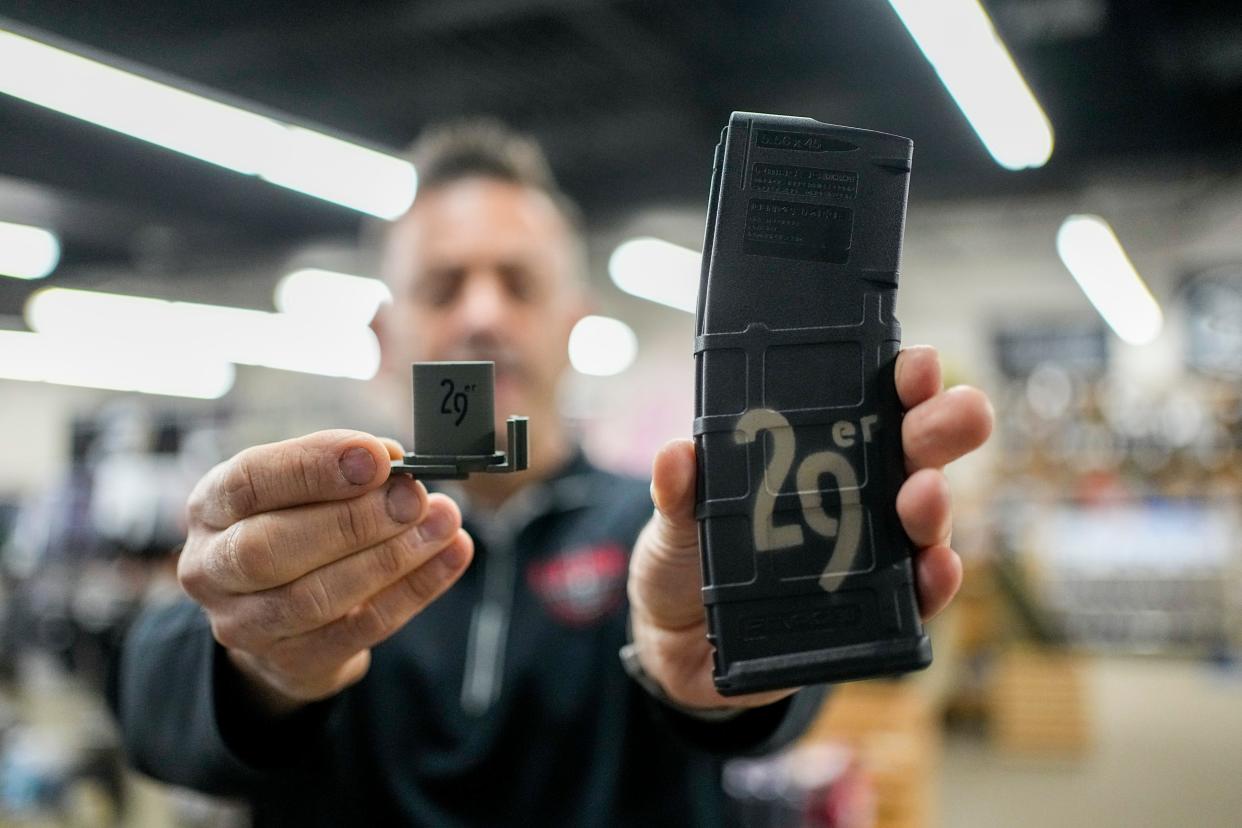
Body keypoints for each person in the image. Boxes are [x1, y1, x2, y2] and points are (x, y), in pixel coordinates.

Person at [113, 121, 993, 826]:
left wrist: (732, 656)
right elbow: (151, 706)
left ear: (575, 327)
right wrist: (261, 661)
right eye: (444, 285)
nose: (484, 314)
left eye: (519, 284)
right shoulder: (305, 538)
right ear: (385, 339)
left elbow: (776, 709)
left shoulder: (670, 525)